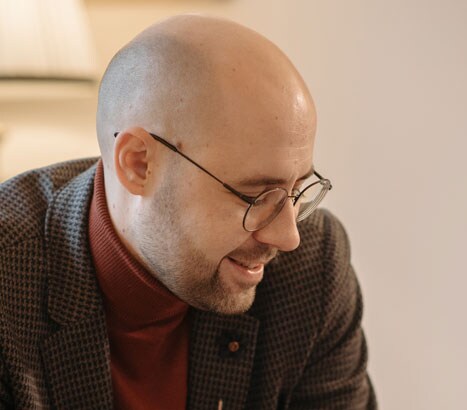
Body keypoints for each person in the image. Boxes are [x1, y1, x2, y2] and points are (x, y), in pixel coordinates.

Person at [0, 14, 376, 410]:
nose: (288, 236)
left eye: (299, 189)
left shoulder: (313, 267)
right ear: (138, 165)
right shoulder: (10, 277)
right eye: (255, 195)